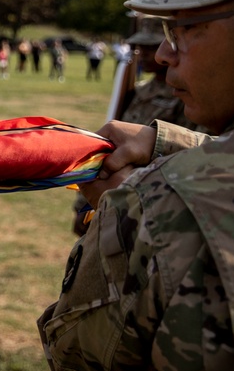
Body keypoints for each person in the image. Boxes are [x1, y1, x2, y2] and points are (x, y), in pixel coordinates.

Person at [39, 0, 234, 369]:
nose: (164, 54)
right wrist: (166, 144)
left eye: (186, 27)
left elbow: (78, 356)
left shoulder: (158, 207)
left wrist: (140, 206)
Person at [70, 16, 202, 236]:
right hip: (111, 200)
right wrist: (82, 205)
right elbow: (107, 146)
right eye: (140, 46)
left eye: (150, 46)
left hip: (147, 211)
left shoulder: (188, 100)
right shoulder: (137, 91)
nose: (146, 53)